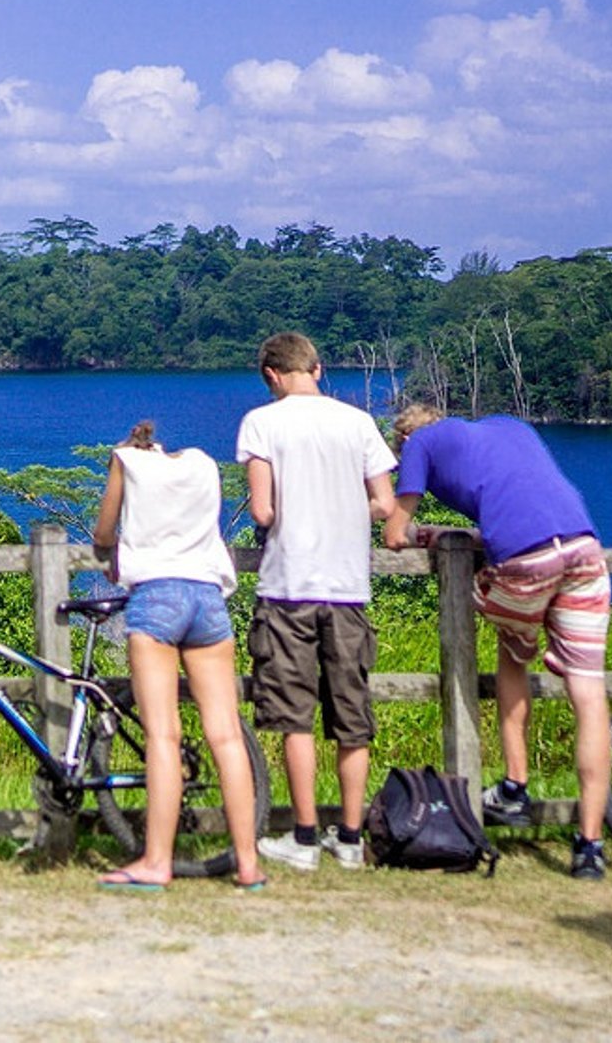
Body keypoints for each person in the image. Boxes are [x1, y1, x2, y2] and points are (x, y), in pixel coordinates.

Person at [382, 403, 612, 880]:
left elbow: (394, 532)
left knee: (512, 655)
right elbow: (521, 495)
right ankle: (590, 845)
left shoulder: (418, 445)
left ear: (405, 440)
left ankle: (514, 786)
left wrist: (418, 531)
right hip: (584, 547)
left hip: (524, 561)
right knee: (589, 696)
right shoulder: (510, 426)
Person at [236, 332, 396, 871]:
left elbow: (261, 511)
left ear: (271, 376)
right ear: (318, 369)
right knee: (352, 716)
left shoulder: (262, 422)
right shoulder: (358, 423)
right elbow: (384, 502)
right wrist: (345, 511)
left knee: (294, 716)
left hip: (288, 586)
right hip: (347, 587)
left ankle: (304, 836)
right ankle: (350, 837)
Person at [92, 420, 267, 891]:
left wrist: (106, 553)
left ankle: (156, 860)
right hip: (208, 597)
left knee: (164, 737)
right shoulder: (204, 465)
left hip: (157, 596)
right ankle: (248, 862)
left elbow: (105, 532)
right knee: (226, 734)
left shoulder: (125, 460)